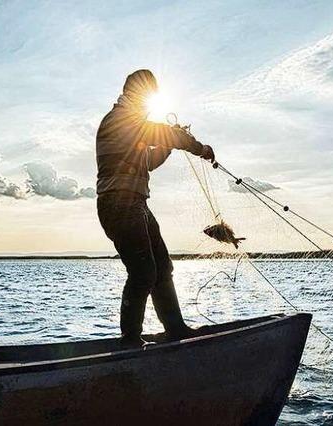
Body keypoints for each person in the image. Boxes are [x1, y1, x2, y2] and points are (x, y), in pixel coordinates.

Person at [95, 69, 215, 347]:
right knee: (143, 272)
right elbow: (163, 134)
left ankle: (176, 329)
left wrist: (171, 144)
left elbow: (147, 161)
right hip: (118, 204)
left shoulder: (131, 123)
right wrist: (200, 148)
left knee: (162, 267)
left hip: (135, 203)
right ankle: (130, 340)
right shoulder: (119, 120)